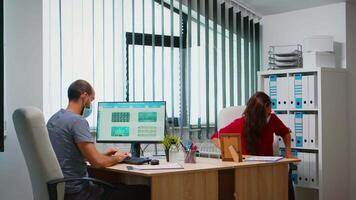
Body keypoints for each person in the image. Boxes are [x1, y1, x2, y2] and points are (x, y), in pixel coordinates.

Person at [47, 80, 150, 200]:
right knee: (144, 190)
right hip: (79, 192)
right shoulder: (77, 121)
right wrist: (118, 158)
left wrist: (103, 155)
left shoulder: (54, 119)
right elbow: (97, 162)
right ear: (84, 96)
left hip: (62, 190)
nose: (90, 104)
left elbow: (69, 154)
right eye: (91, 99)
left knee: (118, 185)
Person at [211, 91, 294, 157]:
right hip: (247, 167)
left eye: (269, 113)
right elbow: (215, 137)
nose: (268, 117)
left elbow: (285, 133)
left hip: (267, 165)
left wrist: (288, 153)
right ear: (255, 115)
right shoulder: (241, 123)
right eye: (265, 115)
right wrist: (231, 153)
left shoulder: (272, 119)